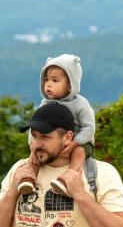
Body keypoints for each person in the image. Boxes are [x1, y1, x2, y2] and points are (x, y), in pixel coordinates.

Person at [17, 54, 97, 198]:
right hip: (53, 144)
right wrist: (32, 145)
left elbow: (89, 128)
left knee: (79, 153)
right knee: (35, 155)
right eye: (46, 79)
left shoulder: (81, 104)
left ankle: (69, 179)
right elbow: (35, 127)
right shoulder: (45, 104)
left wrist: (73, 144)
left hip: (80, 142)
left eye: (55, 80)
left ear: (70, 85)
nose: (48, 84)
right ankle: (28, 178)